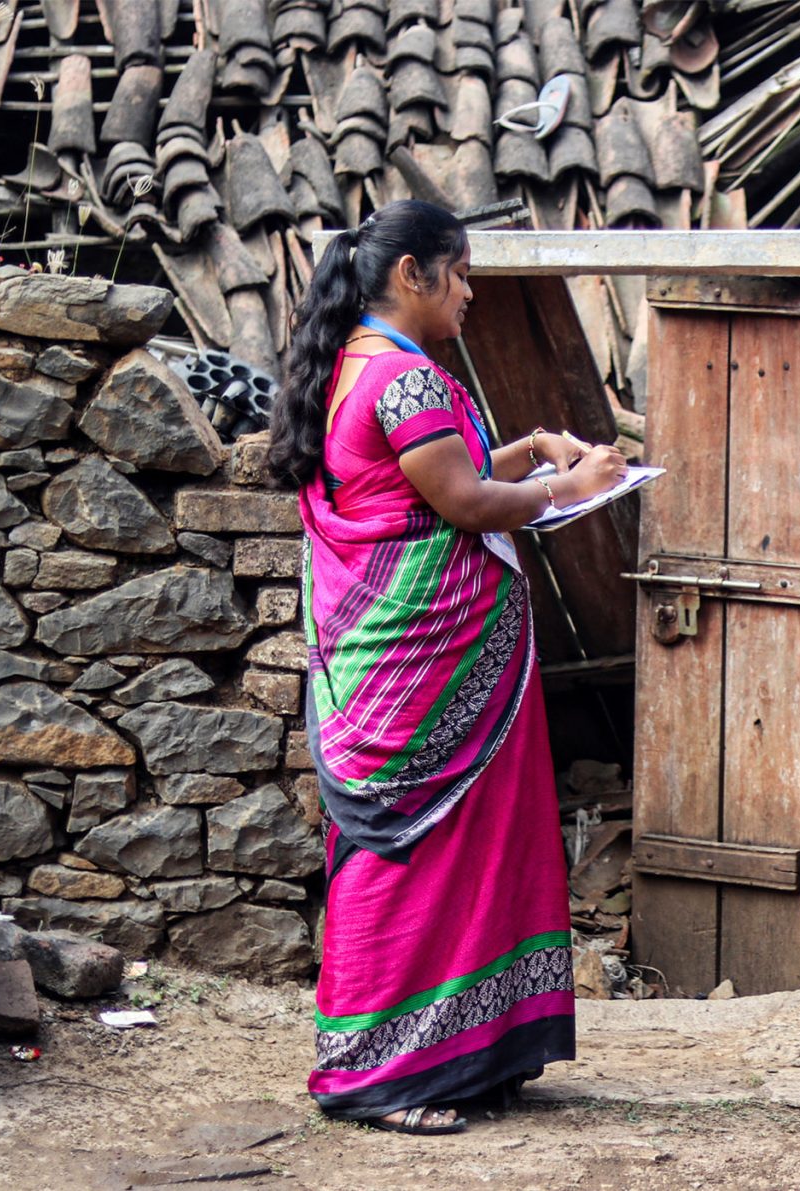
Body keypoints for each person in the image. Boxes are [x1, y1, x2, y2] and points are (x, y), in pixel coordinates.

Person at [266, 199, 629, 1135]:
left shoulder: (359, 367)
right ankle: (377, 1073)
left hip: (403, 669)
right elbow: (462, 500)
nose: (470, 291)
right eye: (460, 273)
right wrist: (571, 485)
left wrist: (533, 449)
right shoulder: (407, 380)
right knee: (407, 861)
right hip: (425, 675)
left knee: (460, 854)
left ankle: (467, 1056)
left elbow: (417, 480)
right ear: (410, 275)